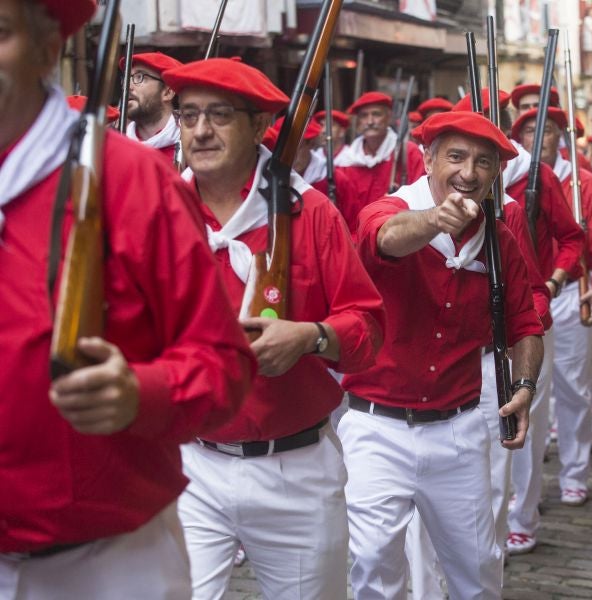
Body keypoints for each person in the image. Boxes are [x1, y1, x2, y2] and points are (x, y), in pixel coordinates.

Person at [0, 2, 256, 598]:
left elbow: (224, 365)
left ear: (47, 50)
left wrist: (140, 393)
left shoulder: (135, 181)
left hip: (107, 562)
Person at [161, 57, 386, 599]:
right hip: (190, 464)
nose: (200, 130)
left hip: (296, 472)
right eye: (187, 115)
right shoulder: (160, 209)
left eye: (218, 115)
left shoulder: (311, 214)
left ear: (260, 126)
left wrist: (309, 336)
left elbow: (367, 328)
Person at [340, 111, 544, 599]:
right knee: (371, 565)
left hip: (458, 429)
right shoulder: (386, 209)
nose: (468, 173)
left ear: (496, 175)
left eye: (483, 163)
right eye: (455, 157)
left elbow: (526, 325)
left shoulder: (501, 240)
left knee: (478, 570)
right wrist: (434, 220)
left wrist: (524, 386)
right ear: (427, 160)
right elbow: (383, 240)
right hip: (376, 428)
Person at [512, 106, 592, 507]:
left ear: (562, 136)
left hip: (569, 291)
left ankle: (575, 470)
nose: (540, 137)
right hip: (524, 301)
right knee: (528, 397)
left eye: (550, 130)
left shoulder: (584, 183)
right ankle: (524, 484)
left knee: (574, 389)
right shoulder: (509, 181)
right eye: (529, 130)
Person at [333, 91, 426, 234]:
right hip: (357, 243)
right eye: (364, 116)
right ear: (357, 122)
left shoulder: (409, 153)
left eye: (376, 114)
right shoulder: (345, 163)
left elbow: (423, 199)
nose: (370, 121)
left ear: (388, 118)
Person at [121, 51, 183, 162]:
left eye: (139, 77)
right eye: (127, 79)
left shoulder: (190, 147)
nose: (128, 87)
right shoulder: (117, 144)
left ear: (167, 92)